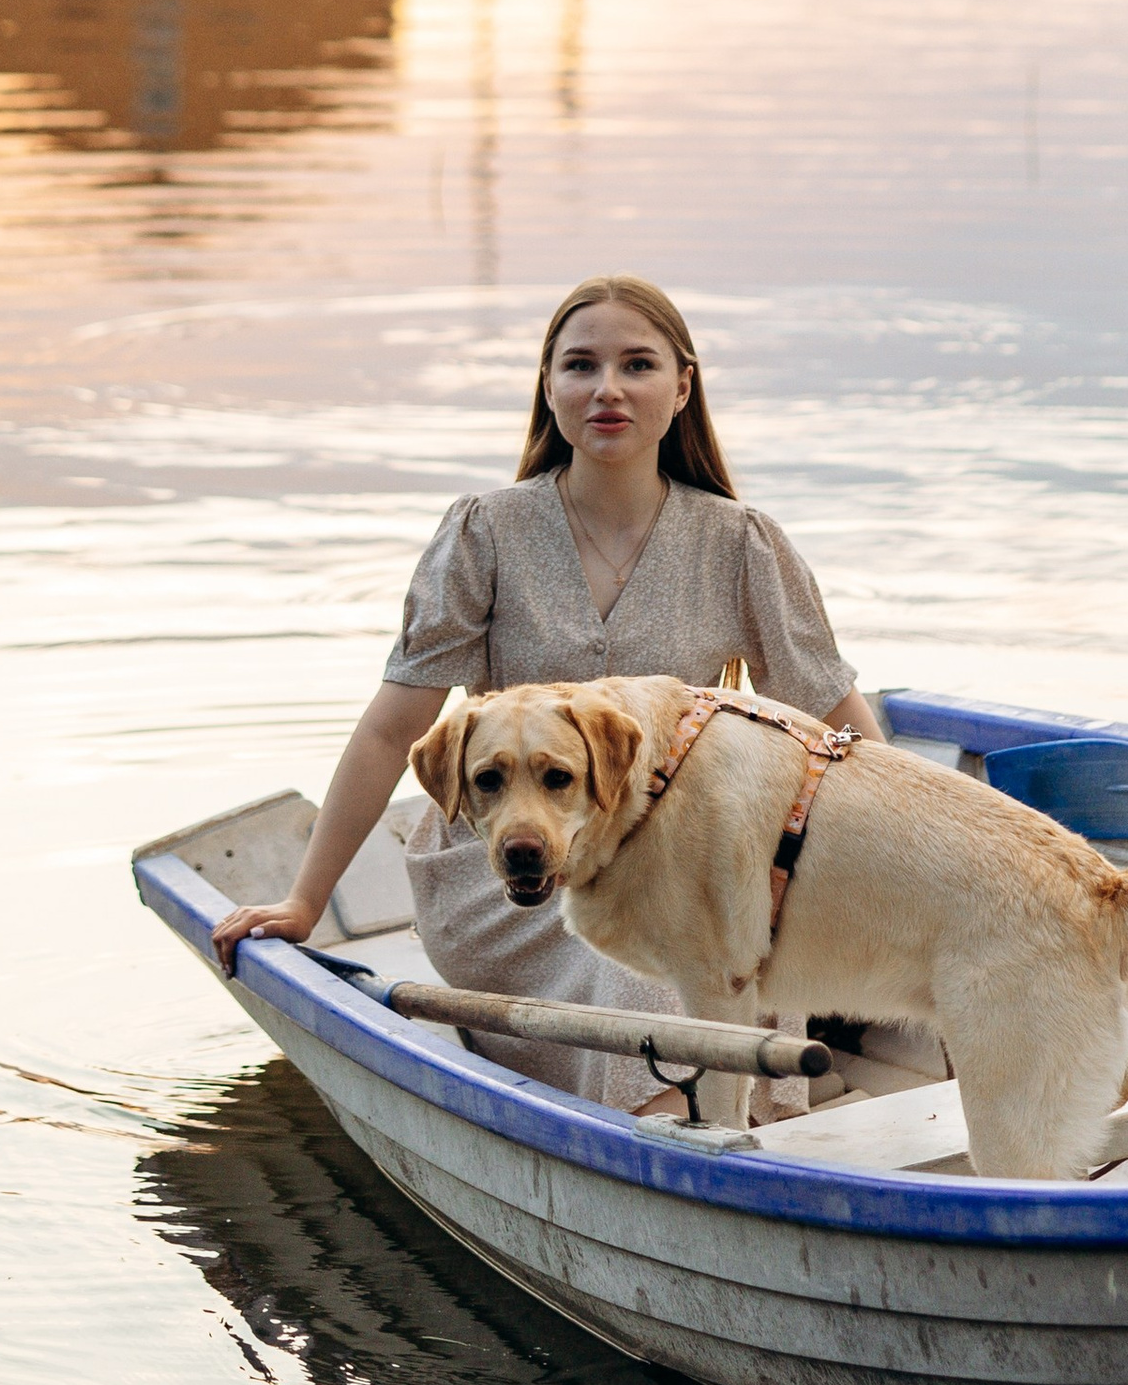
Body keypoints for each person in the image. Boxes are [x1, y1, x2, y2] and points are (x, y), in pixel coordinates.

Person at [213, 274, 880, 1111]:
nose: (607, 388)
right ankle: (670, 1125)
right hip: (504, 879)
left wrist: (918, 873)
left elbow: (837, 726)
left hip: (686, 858)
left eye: (637, 365)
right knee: (633, 947)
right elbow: (394, 731)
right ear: (549, 387)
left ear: (682, 388)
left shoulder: (742, 544)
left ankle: (693, 1117)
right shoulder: (485, 532)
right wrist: (306, 900)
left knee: (689, 921)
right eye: (580, 366)